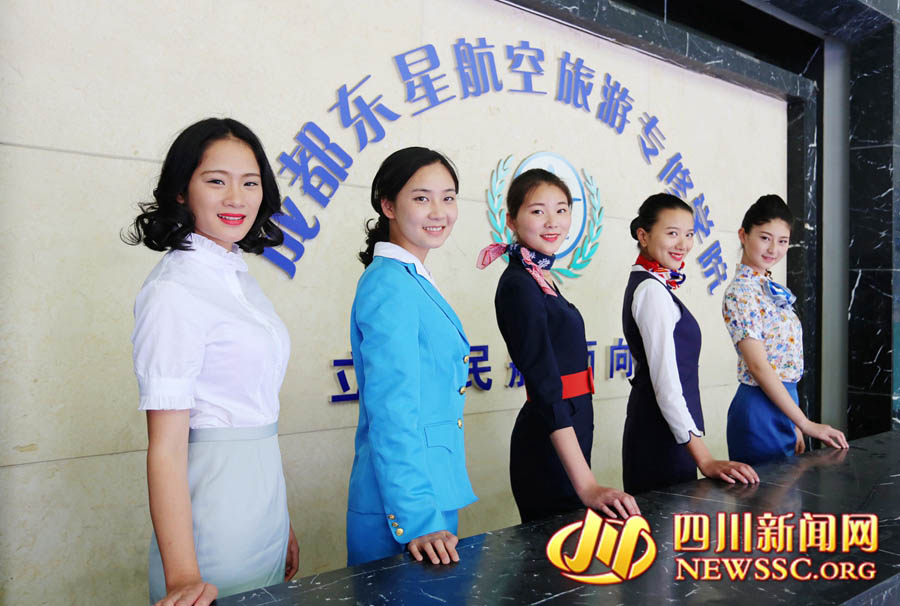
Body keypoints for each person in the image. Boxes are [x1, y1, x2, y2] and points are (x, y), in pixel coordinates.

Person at [124, 118, 298, 606]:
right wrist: (183, 576)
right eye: (216, 181)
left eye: (250, 183)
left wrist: (283, 520)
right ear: (182, 190)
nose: (236, 198)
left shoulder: (238, 277)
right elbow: (165, 449)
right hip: (214, 519)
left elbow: (256, 413)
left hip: (264, 506)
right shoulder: (173, 291)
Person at [479, 168, 639, 523]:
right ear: (511, 220)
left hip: (570, 425)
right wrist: (587, 485)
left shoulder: (540, 276)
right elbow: (545, 384)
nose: (553, 222)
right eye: (538, 211)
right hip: (549, 437)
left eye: (561, 210)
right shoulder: (519, 284)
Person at [346, 147, 477, 567]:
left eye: (448, 197)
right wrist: (418, 518)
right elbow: (392, 409)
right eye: (422, 198)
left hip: (429, 493)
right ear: (388, 206)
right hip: (407, 512)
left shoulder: (410, 277)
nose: (439, 211)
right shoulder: (389, 284)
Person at [621, 193, 759, 494]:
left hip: (671, 434)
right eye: (672, 233)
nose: (683, 244)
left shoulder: (653, 285)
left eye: (689, 234)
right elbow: (666, 385)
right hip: (660, 438)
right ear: (643, 236)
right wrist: (705, 459)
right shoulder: (651, 291)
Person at [722, 194, 848, 465]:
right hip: (758, 410)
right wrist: (805, 423)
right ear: (743, 235)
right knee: (766, 492)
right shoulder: (741, 293)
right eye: (765, 238)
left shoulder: (767, 288)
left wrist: (793, 421)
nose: (773, 249)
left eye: (783, 241)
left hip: (783, 405)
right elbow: (758, 366)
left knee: (786, 490)